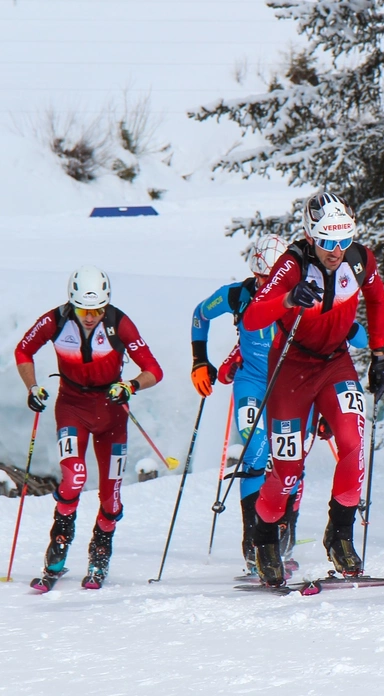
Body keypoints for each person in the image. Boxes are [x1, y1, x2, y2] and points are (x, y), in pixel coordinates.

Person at [242, 191, 384, 586]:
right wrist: (288, 299)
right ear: (310, 237)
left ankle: (340, 533)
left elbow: (377, 299)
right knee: (288, 469)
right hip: (291, 365)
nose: (336, 251)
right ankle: (266, 539)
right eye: (327, 242)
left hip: (336, 362)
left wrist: (378, 354)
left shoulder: (359, 259)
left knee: (353, 442)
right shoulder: (291, 265)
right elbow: (254, 314)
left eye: (343, 240)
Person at [14, 266, 163, 589]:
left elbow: (154, 370)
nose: (91, 316)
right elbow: (23, 350)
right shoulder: (54, 320)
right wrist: (33, 387)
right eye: (84, 309)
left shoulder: (118, 323)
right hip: (72, 408)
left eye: (97, 309)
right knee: (75, 477)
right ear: (72, 303)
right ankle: (59, 545)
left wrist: (131, 386)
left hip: (112, 413)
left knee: (111, 498)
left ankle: (100, 551)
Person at [190, 233, 305, 574]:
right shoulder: (238, 295)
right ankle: (254, 540)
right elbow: (200, 314)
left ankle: (286, 528)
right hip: (252, 383)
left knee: (290, 455)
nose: (265, 284)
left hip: (293, 385)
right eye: (260, 277)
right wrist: (200, 360)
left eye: (272, 279)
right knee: (255, 452)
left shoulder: (302, 294)